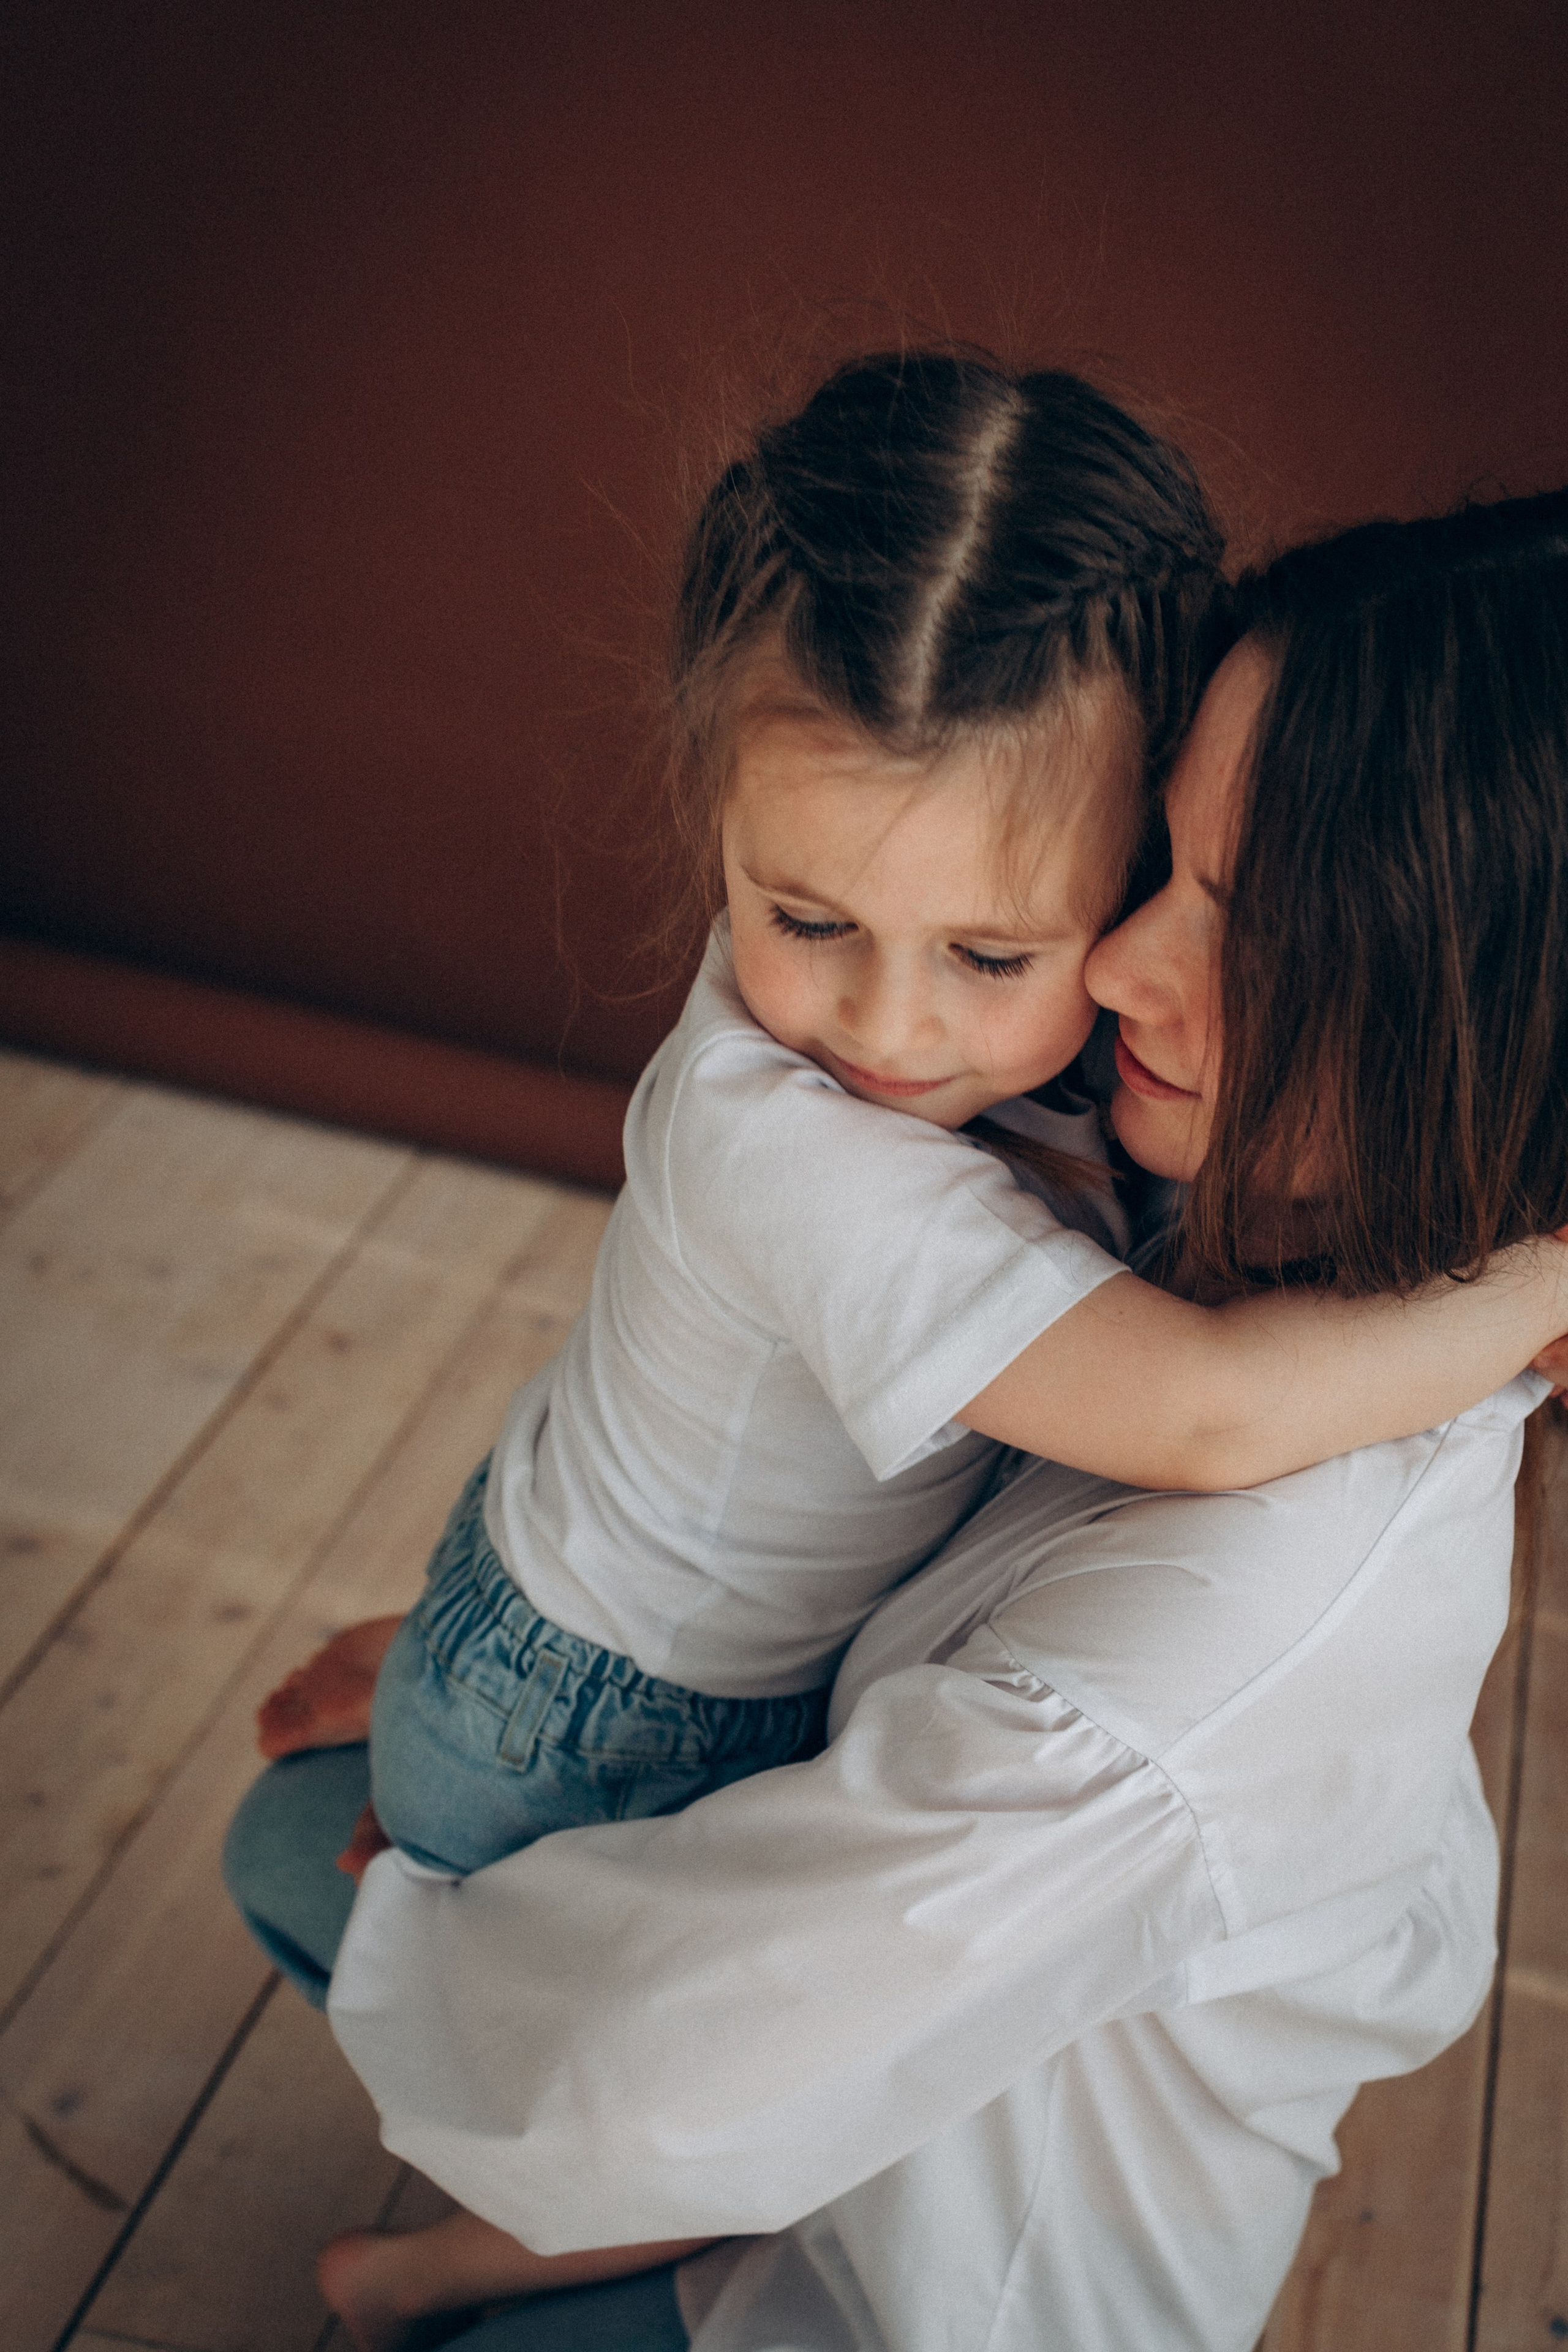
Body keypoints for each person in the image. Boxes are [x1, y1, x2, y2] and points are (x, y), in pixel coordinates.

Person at [224, 367, 1568, 2343]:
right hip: (653, 1721)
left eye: (1229, 921)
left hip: (905, 2289)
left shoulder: (1234, 1608)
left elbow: (682, 2063)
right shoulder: (1082, 1139)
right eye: (1162, 870)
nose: (1114, 974)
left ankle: (458, 2265)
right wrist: (512, 1631)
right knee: (315, 1832)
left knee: (413, 1944)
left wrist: (475, 1910)